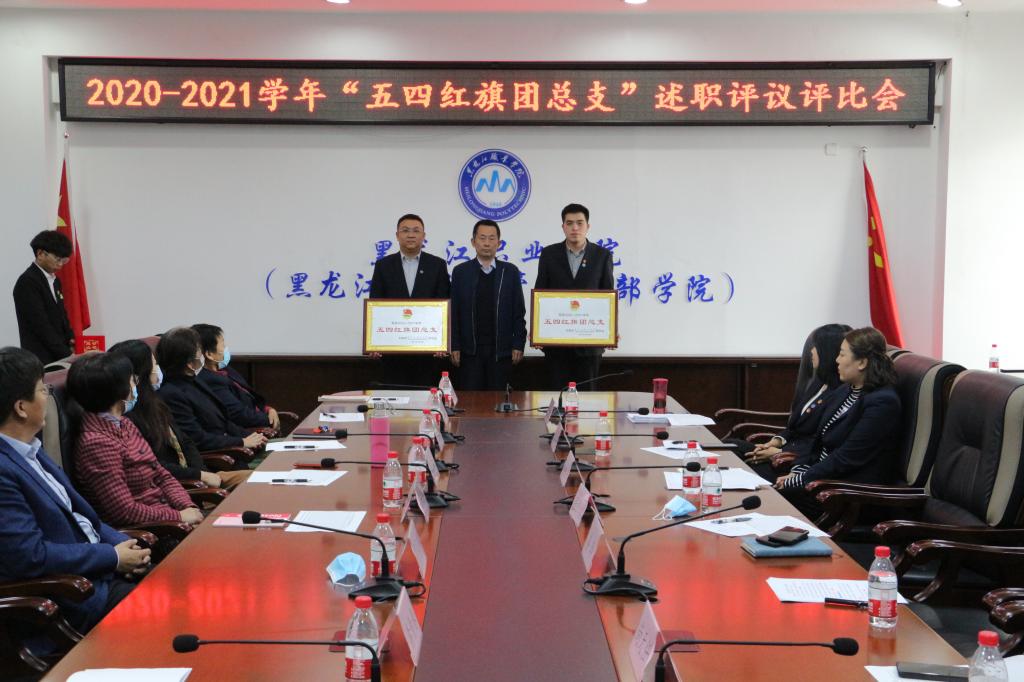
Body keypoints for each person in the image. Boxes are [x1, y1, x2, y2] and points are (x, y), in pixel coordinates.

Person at [0, 347, 151, 635]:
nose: (48, 397)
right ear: (21, 407)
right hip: (75, 596)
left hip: (101, 573)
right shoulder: (3, 469)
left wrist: (126, 546)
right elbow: (30, 556)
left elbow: (81, 517)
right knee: (172, 606)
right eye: (42, 390)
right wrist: (112, 557)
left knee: (183, 581)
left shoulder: (31, 449)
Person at [773, 327, 902, 518]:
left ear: (862, 362)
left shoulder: (882, 403)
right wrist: (798, 470)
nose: (836, 360)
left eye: (842, 354)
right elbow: (817, 442)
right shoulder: (845, 390)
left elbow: (847, 458)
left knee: (772, 498)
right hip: (821, 480)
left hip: (847, 494)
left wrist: (800, 479)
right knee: (768, 491)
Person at [66, 352, 203, 528]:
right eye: (132, 380)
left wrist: (187, 507)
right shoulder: (96, 444)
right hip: (153, 530)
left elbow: (161, 475)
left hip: (174, 518)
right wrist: (178, 516)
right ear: (119, 390)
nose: (136, 384)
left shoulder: (124, 423)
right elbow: (124, 511)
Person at [108, 339, 251, 490]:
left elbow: (186, 442)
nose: (158, 369)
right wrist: (198, 476)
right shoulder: (128, 417)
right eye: (154, 364)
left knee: (259, 479)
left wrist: (203, 472)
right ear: (139, 374)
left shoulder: (156, 402)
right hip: (176, 485)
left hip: (199, 476)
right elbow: (155, 465)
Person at [744, 323, 851, 481]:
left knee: (746, 471)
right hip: (785, 451)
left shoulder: (841, 393)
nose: (811, 351)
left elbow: (819, 442)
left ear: (827, 351)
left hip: (797, 462)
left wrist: (780, 453)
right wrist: (775, 442)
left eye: (815, 347)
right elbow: (794, 427)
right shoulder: (819, 382)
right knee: (732, 447)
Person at [534, 203, 615, 390]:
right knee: (557, 397)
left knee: (587, 399)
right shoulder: (549, 254)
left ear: (588, 226)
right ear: (563, 227)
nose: (575, 228)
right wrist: (537, 328)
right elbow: (541, 293)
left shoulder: (602, 255)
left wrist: (611, 328)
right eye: (569, 223)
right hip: (556, 346)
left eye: (580, 223)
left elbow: (607, 296)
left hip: (589, 347)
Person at [368, 213, 451, 385]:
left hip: (428, 354)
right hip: (392, 353)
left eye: (416, 231)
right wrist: (374, 343)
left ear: (424, 236)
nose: (411, 235)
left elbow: (444, 305)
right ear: (397, 235)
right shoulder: (383, 265)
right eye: (405, 230)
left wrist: (442, 343)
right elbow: (376, 304)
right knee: (395, 396)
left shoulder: (437, 265)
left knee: (425, 397)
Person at [156, 327, 267, 453]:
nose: (202, 355)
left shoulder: (195, 380)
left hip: (232, 445)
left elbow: (223, 422)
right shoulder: (172, 394)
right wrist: (241, 442)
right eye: (199, 352)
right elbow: (197, 439)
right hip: (220, 455)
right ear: (189, 363)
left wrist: (250, 436)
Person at [449, 220, 527, 390]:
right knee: (471, 400)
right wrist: (454, 345)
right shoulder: (461, 272)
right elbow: (453, 313)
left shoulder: (510, 271)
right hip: (469, 352)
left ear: (499, 243)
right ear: (473, 242)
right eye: (482, 238)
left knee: (499, 399)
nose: (486, 243)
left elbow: (518, 312)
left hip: (501, 352)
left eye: (492, 238)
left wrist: (518, 343)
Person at [191, 323, 280, 432]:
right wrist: (268, 419)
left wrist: (268, 410)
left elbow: (250, 399)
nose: (225, 348)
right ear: (209, 354)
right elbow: (239, 414)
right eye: (222, 345)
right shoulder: (210, 381)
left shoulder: (225, 370)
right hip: (249, 433)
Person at [12, 230, 75, 365]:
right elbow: (41, 325)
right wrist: (67, 354)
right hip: (41, 357)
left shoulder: (55, 281)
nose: (60, 264)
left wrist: (71, 338)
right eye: (57, 259)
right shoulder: (28, 282)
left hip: (60, 355)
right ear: (40, 254)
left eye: (64, 260)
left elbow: (62, 315)